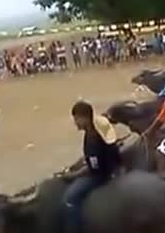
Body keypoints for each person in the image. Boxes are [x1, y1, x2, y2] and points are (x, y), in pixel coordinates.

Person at [61, 100, 122, 233]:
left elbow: (93, 168)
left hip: (101, 175)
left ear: (85, 118)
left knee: (69, 198)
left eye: (76, 119)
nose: (75, 122)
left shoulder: (92, 139)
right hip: (111, 167)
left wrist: (72, 175)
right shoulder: (98, 129)